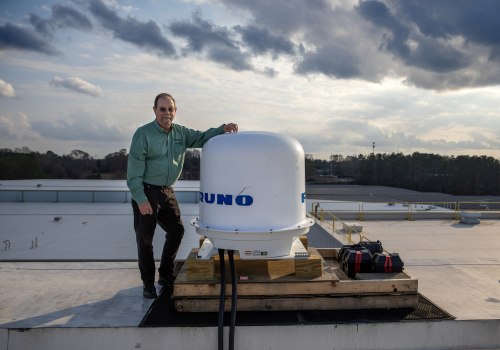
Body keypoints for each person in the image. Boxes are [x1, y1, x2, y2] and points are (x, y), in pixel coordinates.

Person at [127, 92, 238, 299]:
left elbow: (203, 137)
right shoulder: (143, 134)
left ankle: (165, 276)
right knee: (145, 240)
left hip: (166, 191)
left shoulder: (181, 133)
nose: (166, 113)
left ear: (175, 111)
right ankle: (148, 284)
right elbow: (133, 171)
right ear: (154, 111)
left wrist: (222, 129)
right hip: (147, 190)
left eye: (170, 109)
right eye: (162, 109)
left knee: (177, 231)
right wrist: (140, 199)